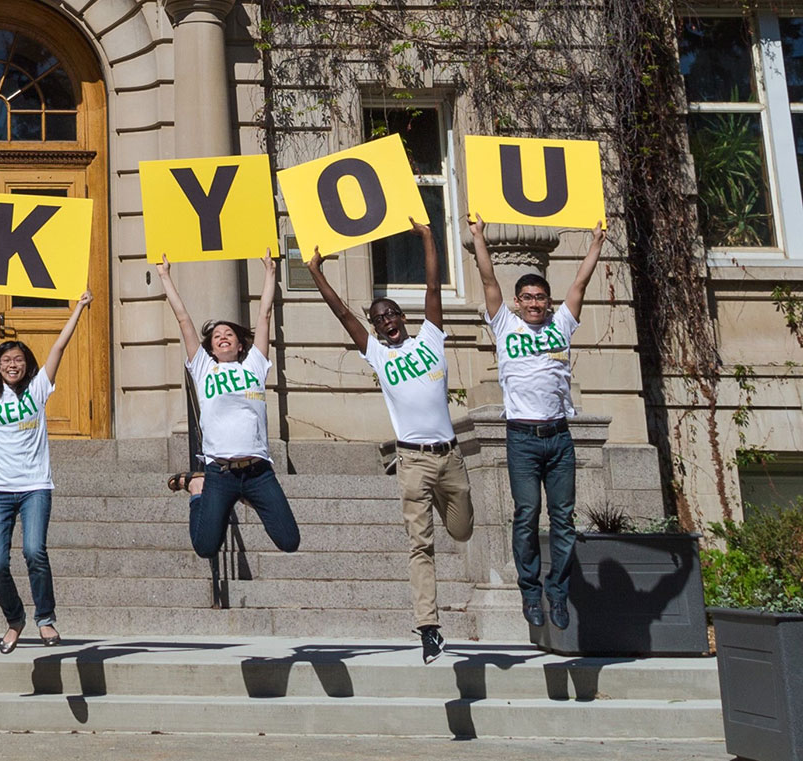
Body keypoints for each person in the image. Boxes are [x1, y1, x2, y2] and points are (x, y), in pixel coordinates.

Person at [305, 220, 474, 663]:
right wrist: (315, 269)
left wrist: (426, 238)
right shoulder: (377, 354)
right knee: (421, 544)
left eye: (391, 315)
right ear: (376, 329)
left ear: (403, 317)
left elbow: (434, 286)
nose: (386, 323)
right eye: (378, 320)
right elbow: (343, 313)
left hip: (450, 458)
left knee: (462, 529)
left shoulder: (431, 340)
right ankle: (429, 628)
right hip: (413, 461)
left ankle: (448, 505)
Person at [470, 213, 605, 630]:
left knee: (563, 519)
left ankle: (558, 593)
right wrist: (479, 238)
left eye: (539, 298)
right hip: (523, 438)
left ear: (548, 302)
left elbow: (579, 285)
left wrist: (596, 244)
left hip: (559, 437)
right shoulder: (504, 323)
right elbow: (489, 281)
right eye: (526, 297)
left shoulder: (561, 324)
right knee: (527, 514)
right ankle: (530, 593)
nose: (533, 303)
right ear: (517, 302)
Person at [0, 282, 92, 652]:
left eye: (18, 360)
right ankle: (15, 619)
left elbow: (59, 346)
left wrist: (77, 307)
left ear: (27, 365)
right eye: (5, 361)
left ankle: (45, 619)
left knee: (34, 552)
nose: (12, 365)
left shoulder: (38, 389)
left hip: (34, 487)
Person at [154, 251, 301, 562]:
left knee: (289, 540)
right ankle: (196, 488)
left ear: (239, 345)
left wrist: (270, 273)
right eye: (217, 336)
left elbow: (264, 317)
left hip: (259, 472)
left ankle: (247, 496)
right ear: (210, 347)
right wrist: (166, 276)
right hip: (219, 473)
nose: (222, 337)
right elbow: (184, 320)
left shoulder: (255, 366)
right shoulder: (205, 369)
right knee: (205, 547)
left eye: (228, 334)